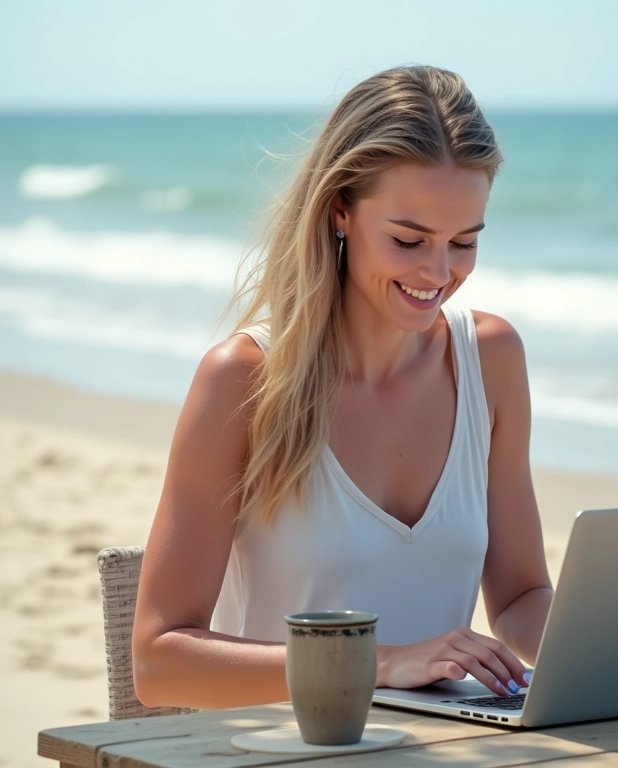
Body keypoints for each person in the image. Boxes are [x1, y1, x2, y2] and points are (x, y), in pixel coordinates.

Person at [132, 64, 554, 710]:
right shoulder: (243, 381)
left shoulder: (490, 359)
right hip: (279, 752)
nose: (438, 273)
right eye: (409, 239)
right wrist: (380, 663)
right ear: (340, 212)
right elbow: (161, 662)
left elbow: (522, 598)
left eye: (464, 242)